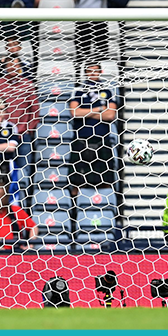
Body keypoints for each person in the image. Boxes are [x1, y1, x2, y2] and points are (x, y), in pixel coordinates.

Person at [67, 63, 118, 240]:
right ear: (85, 72)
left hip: (102, 141)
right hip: (82, 141)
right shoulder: (78, 90)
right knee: (76, 183)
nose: (93, 73)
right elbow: (74, 112)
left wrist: (86, 112)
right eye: (90, 70)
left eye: (96, 70)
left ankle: (105, 215)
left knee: (106, 181)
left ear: (100, 72)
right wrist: (98, 110)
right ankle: (74, 220)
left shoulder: (107, 91)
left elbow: (111, 115)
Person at [67, 0, 112, 79]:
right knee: (81, 56)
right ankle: (80, 84)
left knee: (102, 55)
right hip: (82, 22)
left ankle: (104, 86)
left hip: (100, 21)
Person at [0, 179, 38, 250]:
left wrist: (30, 245)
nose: (1, 198)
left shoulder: (16, 210)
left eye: (3, 195)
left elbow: (33, 227)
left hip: (17, 251)